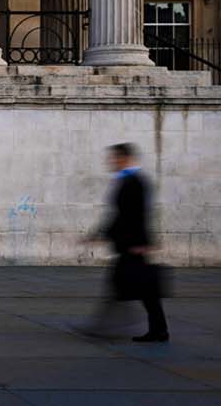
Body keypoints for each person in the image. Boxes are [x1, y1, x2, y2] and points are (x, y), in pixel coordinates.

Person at [82, 141, 170, 343]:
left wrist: (143, 242)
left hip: (133, 245)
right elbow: (119, 215)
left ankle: (104, 325)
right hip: (128, 244)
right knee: (142, 290)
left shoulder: (135, 181)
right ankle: (157, 329)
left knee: (127, 286)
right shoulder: (127, 180)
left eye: (114, 158)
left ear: (124, 158)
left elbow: (138, 214)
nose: (111, 161)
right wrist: (99, 234)